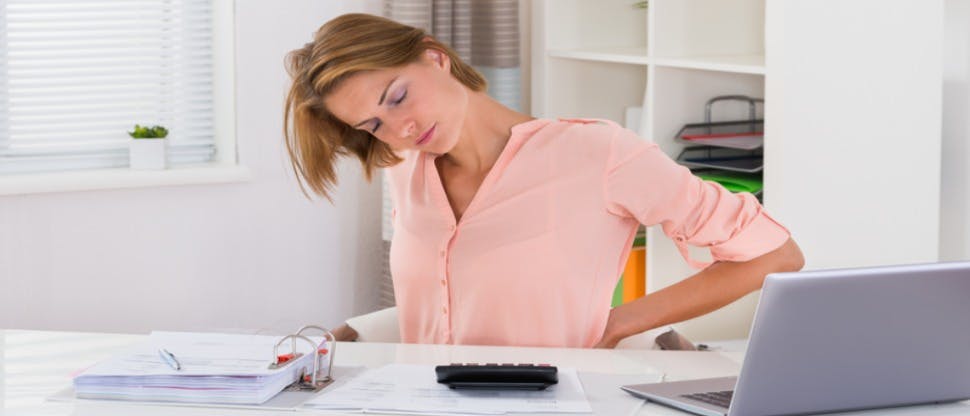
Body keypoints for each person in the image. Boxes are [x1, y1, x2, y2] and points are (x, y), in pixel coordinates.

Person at [283, 13, 804, 349]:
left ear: (434, 56)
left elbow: (774, 254)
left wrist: (623, 322)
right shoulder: (403, 171)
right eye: (373, 125)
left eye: (396, 97)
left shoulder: (598, 154)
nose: (401, 128)